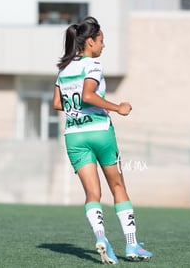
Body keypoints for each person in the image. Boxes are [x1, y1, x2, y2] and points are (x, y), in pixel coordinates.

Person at [52, 16, 152, 264]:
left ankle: (101, 238)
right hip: (100, 132)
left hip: (74, 136)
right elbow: (88, 95)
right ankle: (131, 245)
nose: (103, 46)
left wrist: (75, 109)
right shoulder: (93, 65)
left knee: (92, 193)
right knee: (118, 187)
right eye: (101, 40)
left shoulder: (64, 68)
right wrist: (117, 107)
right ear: (89, 42)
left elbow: (56, 103)